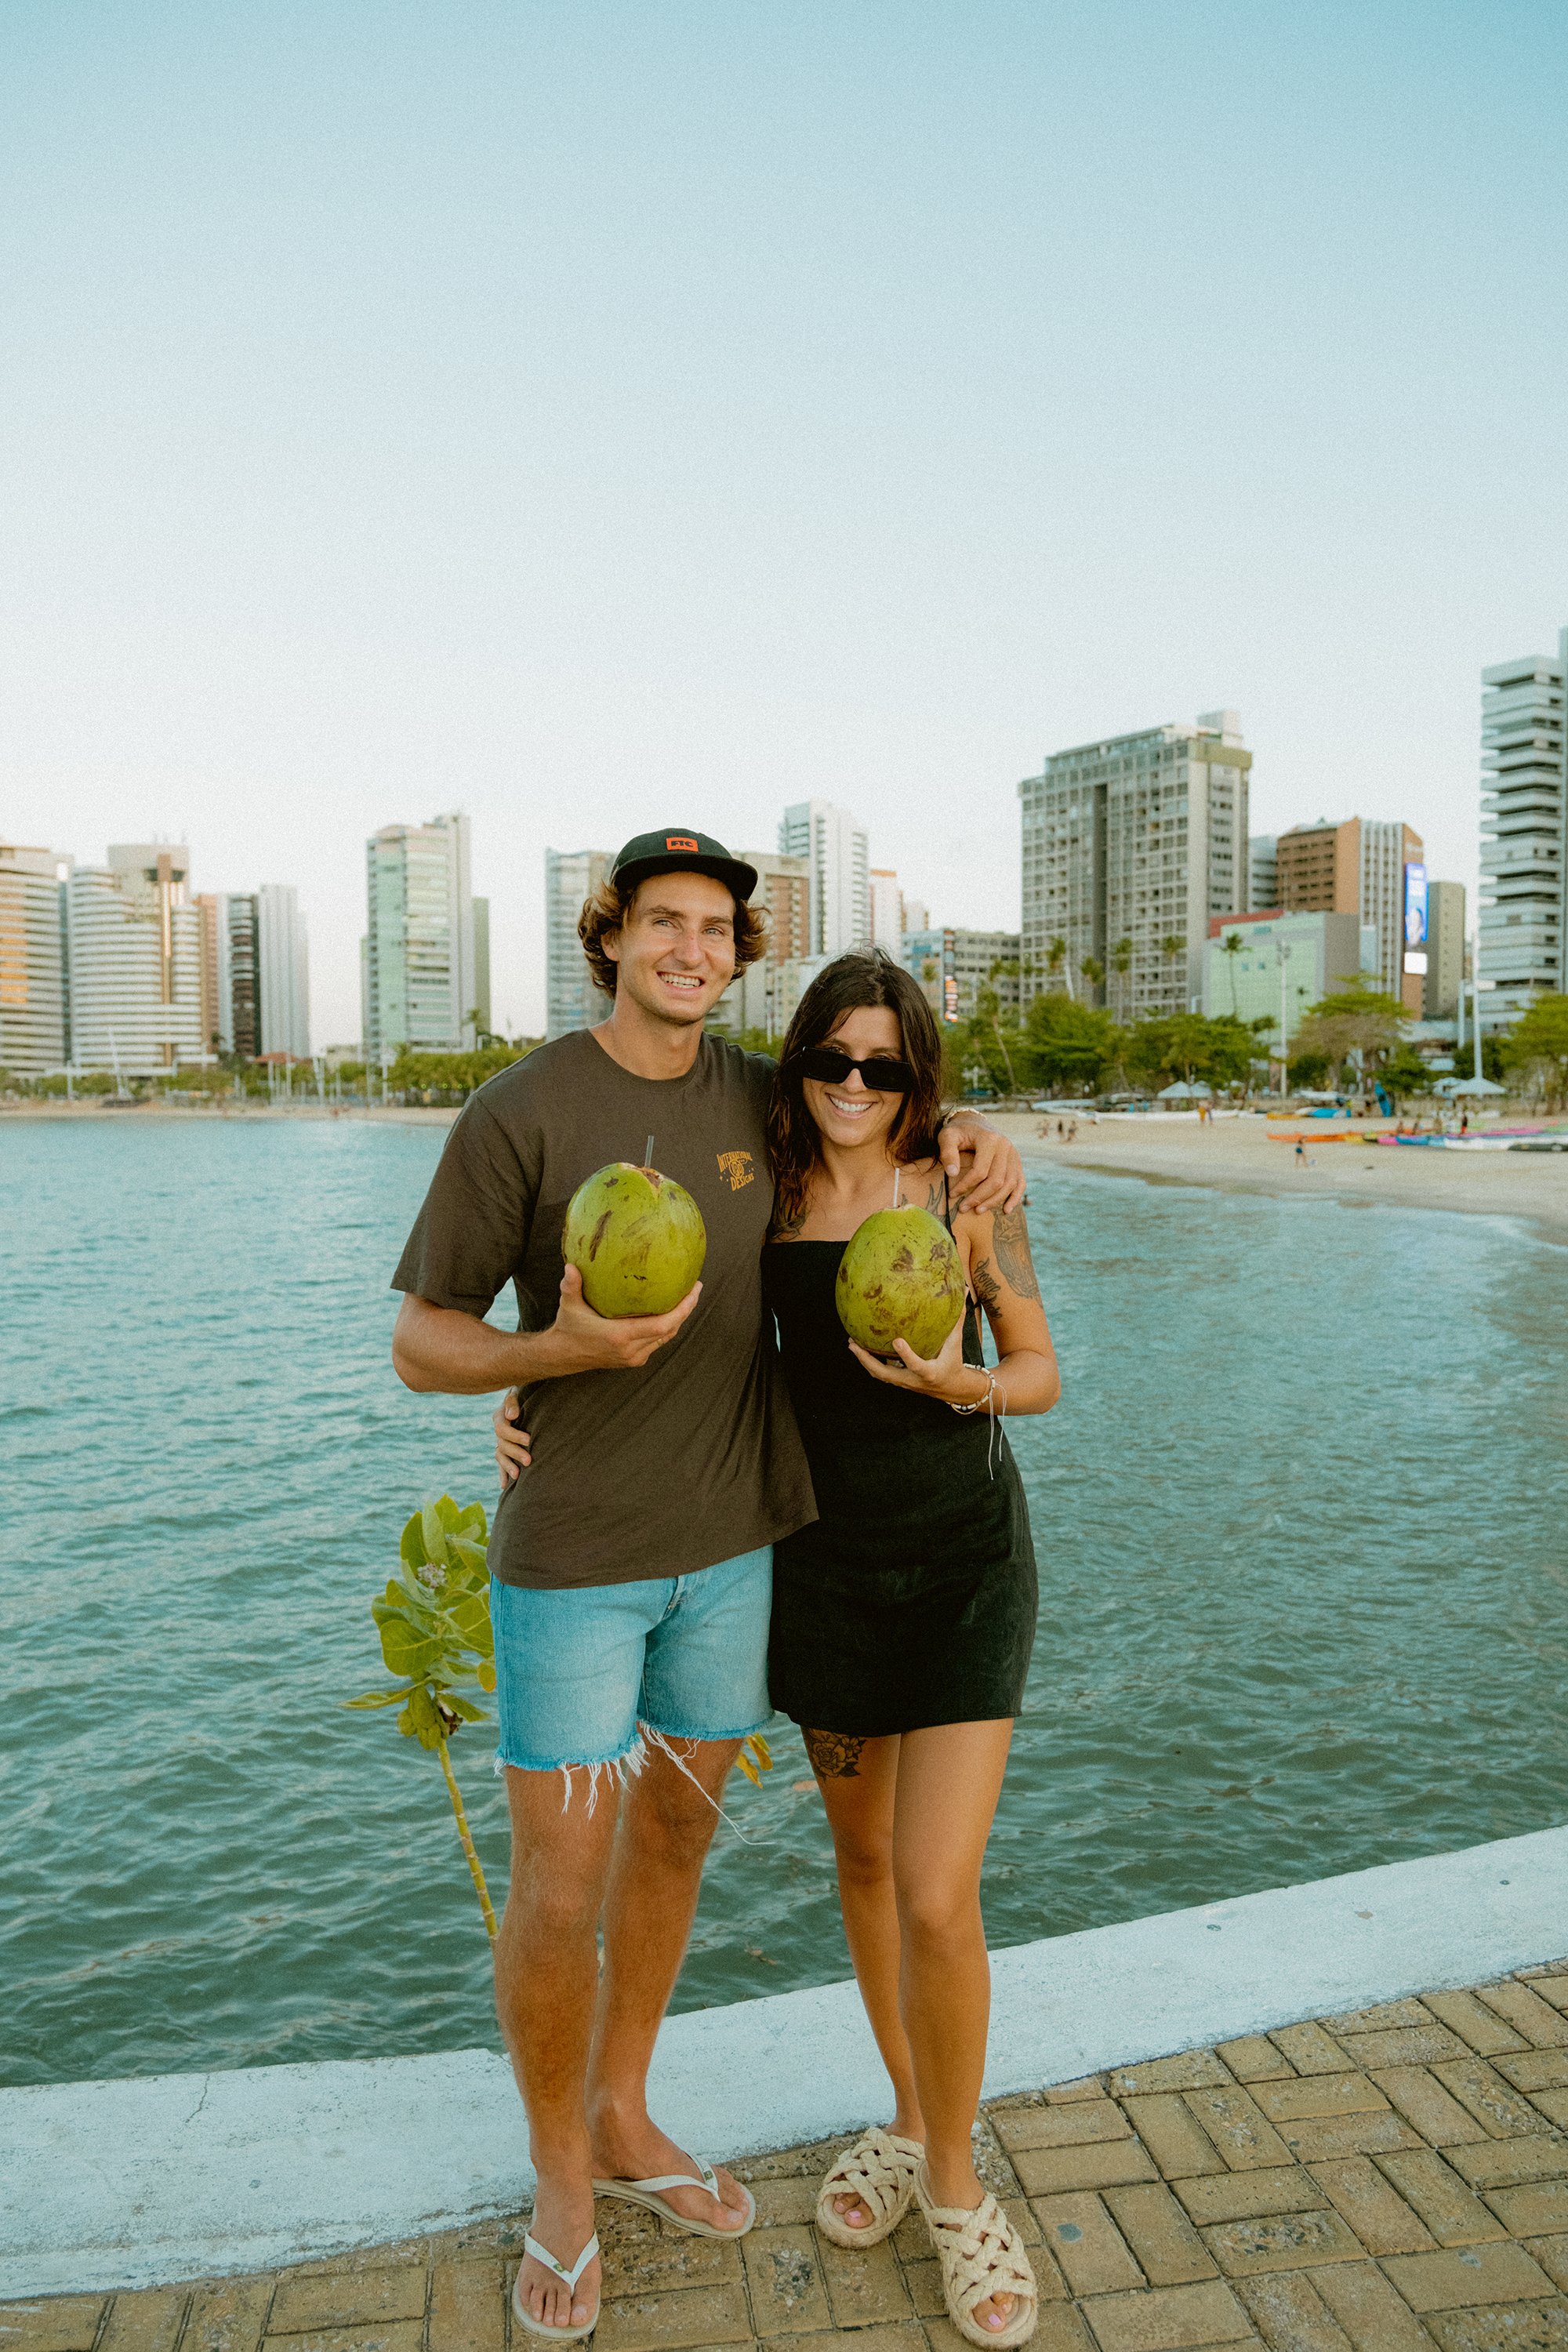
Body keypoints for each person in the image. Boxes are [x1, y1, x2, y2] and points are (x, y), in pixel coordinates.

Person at [392, 830, 1024, 2342]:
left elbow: (880, 1098)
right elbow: (425, 1340)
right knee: (557, 1892)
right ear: (611, 937)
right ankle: (558, 2178)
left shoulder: (764, 1094)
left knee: (673, 1853)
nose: (689, 948)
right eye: (661, 922)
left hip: (741, 1558)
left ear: (739, 956)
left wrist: (984, 1136)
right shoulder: (520, 1109)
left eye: (716, 928)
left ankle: (623, 2113)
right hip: (575, 1570)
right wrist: (545, 1358)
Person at [762, 952, 1058, 2349]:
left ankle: (954, 2182)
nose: (856, 1088)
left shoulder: (964, 1191)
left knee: (939, 1892)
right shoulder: (758, 1189)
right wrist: (523, 1409)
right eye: (833, 1061)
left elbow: (1042, 1375)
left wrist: (965, 1381)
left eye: (885, 1067)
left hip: (962, 1567)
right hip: (819, 1573)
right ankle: (901, 2111)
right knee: (866, 1864)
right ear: (801, 1064)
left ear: (917, 1073)